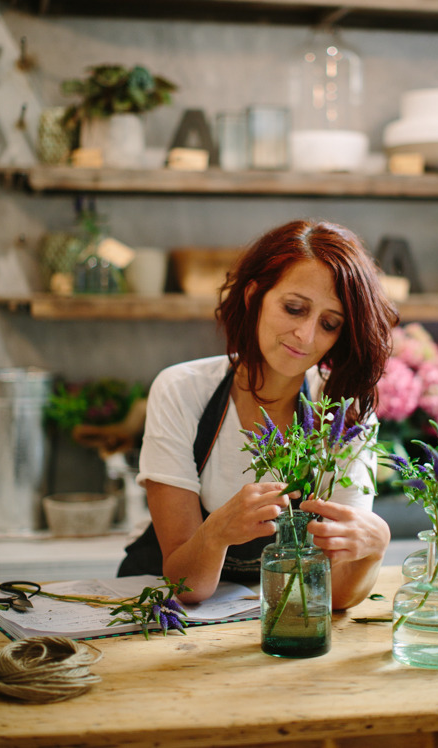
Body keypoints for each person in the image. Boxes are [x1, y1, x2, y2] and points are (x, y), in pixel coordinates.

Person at [118, 219, 398, 610]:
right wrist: (216, 533)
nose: (306, 335)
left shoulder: (343, 414)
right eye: (294, 308)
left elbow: (334, 597)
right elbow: (185, 584)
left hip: (278, 616)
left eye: (329, 323)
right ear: (254, 296)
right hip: (164, 613)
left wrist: (373, 548)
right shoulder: (183, 389)